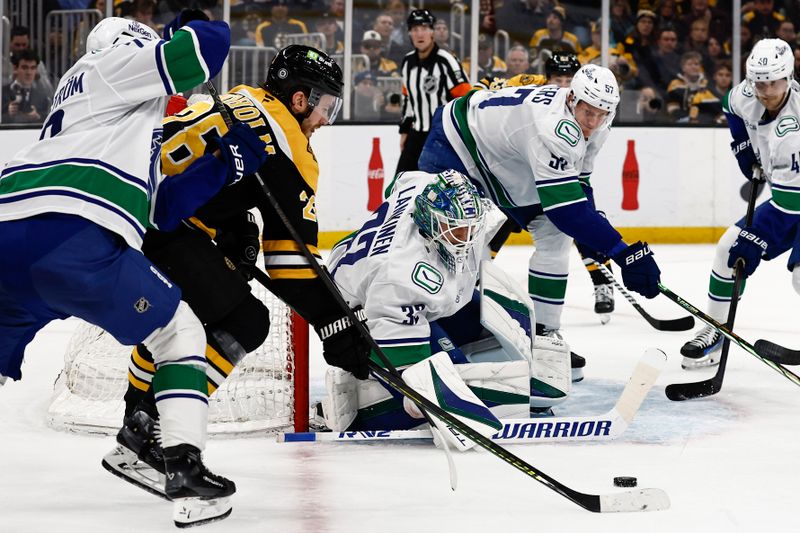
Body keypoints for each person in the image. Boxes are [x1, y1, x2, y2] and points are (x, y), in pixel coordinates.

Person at [0, 13, 262, 527]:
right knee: (179, 330)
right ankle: (183, 466)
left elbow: (160, 207)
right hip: (68, 232)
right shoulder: (109, 65)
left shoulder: (107, 112)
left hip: (10, 225)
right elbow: (205, 47)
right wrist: (189, 27)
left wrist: (225, 166)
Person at [103, 44, 371, 497]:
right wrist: (339, 325)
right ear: (300, 99)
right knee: (247, 320)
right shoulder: (292, 146)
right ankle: (151, 430)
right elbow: (291, 265)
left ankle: (138, 420)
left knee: (181, 314)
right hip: (165, 226)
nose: (327, 118)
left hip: (119, 208)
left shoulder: (240, 96)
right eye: (326, 106)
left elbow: (206, 161)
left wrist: (237, 225)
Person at [417, 64, 663, 378]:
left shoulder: (598, 125)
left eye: (603, 113)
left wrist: (596, 234)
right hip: (458, 140)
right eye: (589, 112)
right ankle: (444, 326)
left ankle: (544, 337)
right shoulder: (555, 129)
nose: (594, 122)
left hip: (506, 156)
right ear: (573, 99)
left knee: (554, 236)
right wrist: (621, 250)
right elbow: (566, 211)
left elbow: (580, 188)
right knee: (460, 238)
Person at [321, 170, 572, 437]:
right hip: (361, 307)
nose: (466, 238)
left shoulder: (424, 186)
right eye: (456, 230)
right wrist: (430, 395)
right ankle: (363, 410)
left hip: (387, 279)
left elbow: (401, 181)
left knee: (491, 327)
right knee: (445, 383)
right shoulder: (399, 275)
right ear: (429, 221)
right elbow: (408, 366)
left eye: (470, 228)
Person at [681, 39, 800, 369]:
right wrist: (743, 149)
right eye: (758, 82)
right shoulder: (745, 94)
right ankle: (715, 329)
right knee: (726, 248)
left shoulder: (795, 126)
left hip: (794, 198)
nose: (764, 90)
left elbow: (791, 207)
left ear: (788, 78)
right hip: (788, 195)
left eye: (772, 83)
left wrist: (756, 238)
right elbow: (729, 106)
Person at [475, 53, 619, 325]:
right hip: (524, 171)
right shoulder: (532, 88)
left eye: (568, 79)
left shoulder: (593, 114)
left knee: (583, 224)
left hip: (564, 173)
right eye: (558, 79)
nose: (562, 83)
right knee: (500, 223)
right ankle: (478, 275)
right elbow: (486, 87)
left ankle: (602, 280)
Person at [396, 9, 470, 174]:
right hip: (416, 135)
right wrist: (404, 131)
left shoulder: (446, 61)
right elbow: (408, 99)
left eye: (424, 28)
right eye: (415, 29)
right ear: (409, 33)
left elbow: (465, 98)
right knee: (400, 185)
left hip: (442, 136)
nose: (419, 34)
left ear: (432, 32)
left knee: (438, 187)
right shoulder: (407, 62)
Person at [1, 50, 52, 124]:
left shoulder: (42, 97)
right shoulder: (2, 93)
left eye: (33, 68)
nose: (29, 72)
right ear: (15, 68)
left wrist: (37, 117)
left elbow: (47, 122)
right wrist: (7, 114)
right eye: (24, 68)